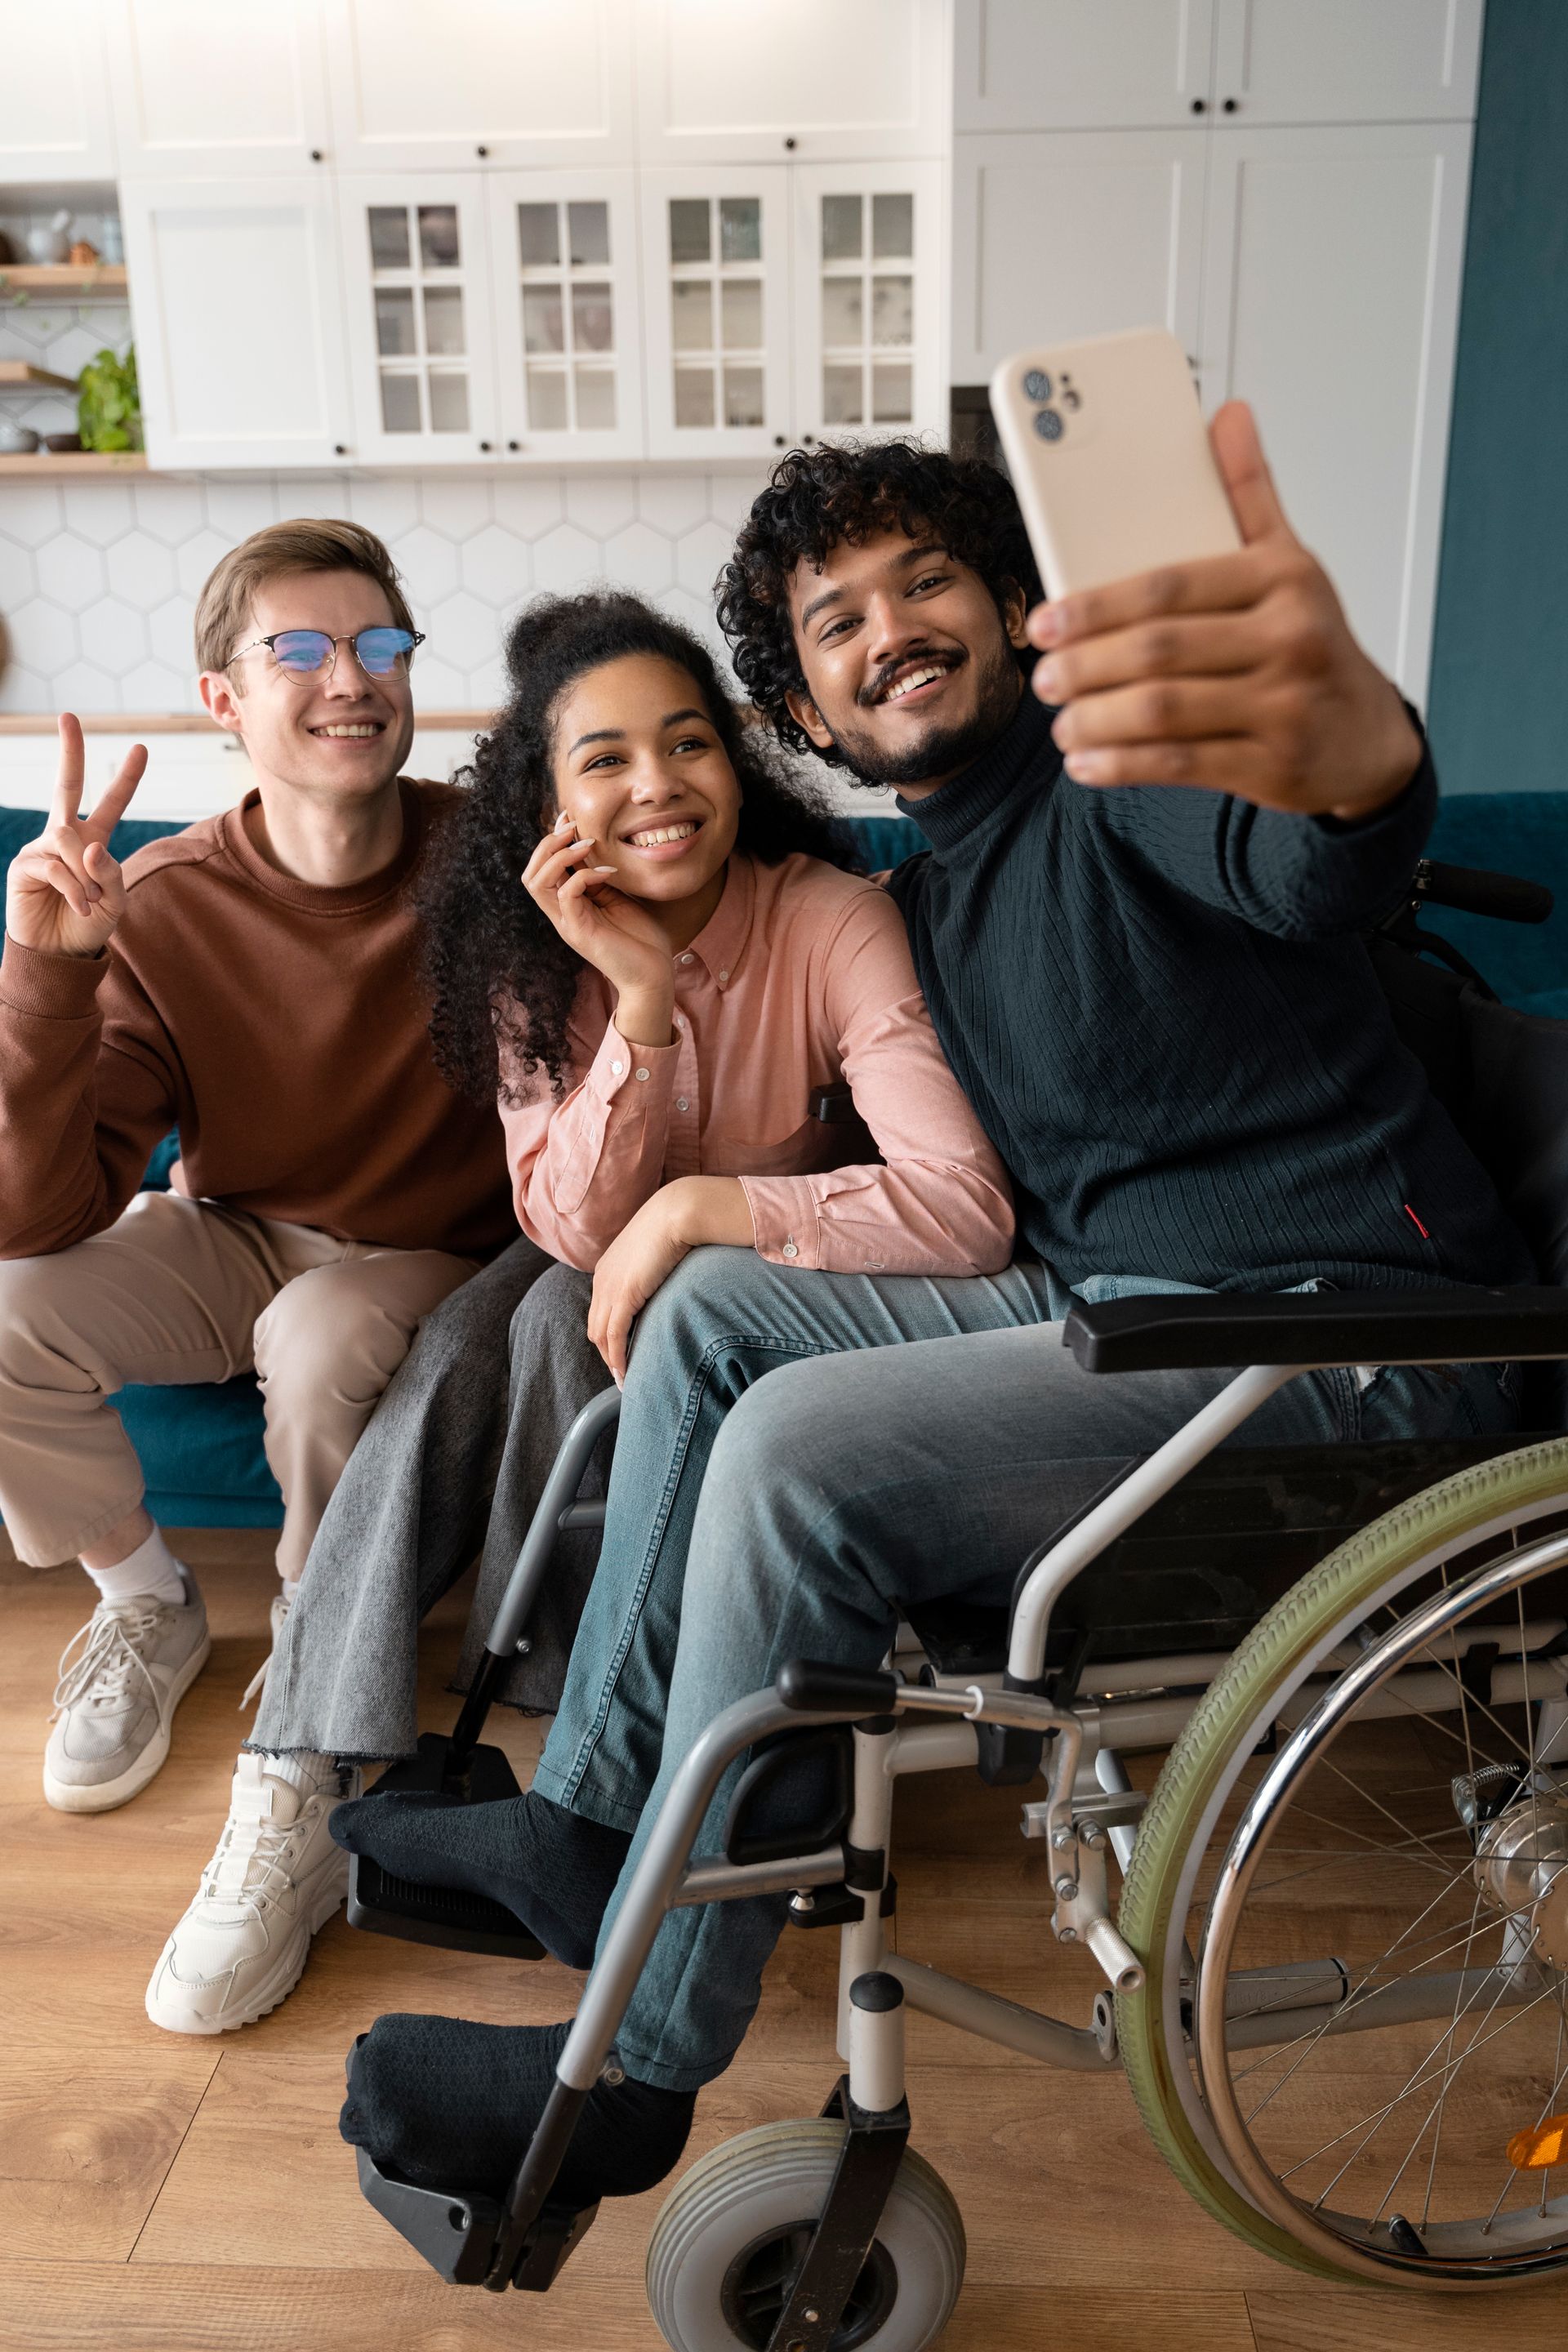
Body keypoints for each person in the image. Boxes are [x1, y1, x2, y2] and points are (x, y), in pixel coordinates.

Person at [333, 411, 1535, 2210]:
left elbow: (1309, 859)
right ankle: (594, 1820)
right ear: (808, 713)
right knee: (724, 1313)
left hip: (1338, 1351)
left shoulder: (1128, 778)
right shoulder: (930, 884)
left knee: (803, 1452)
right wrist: (683, 1143)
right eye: (836, 617)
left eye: (928, 577)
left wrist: (1356, 756)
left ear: (1019, 609)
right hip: (1132, 1317)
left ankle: (640, 2074)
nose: (890, 622)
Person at [145, 589, 1013, 2035]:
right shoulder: (530, 947)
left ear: (738, 763)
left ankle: (565, 1754)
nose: (656, 786)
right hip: (579, 1274)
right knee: (511, 1326)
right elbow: (569, 1229)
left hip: (796, 1283)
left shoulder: (834, 918)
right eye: (604, 759)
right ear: (546, 804)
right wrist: (641, 1002)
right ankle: (303, 1772)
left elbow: (962, 1205)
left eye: (688, 745)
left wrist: (698, 1210)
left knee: (567, 1322)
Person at [0, 517, 521, 1835]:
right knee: (6, 1310)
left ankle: (318, 1647)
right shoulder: (161, 902)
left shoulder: (496, 866)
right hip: (236, 1235)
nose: (351, 677)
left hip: (434, 1256)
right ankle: (146, 1603)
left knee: (324, 1326)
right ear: (223, 701)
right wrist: (49, 974)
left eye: (379, 644)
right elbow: (36, 1217)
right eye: (300, 649)